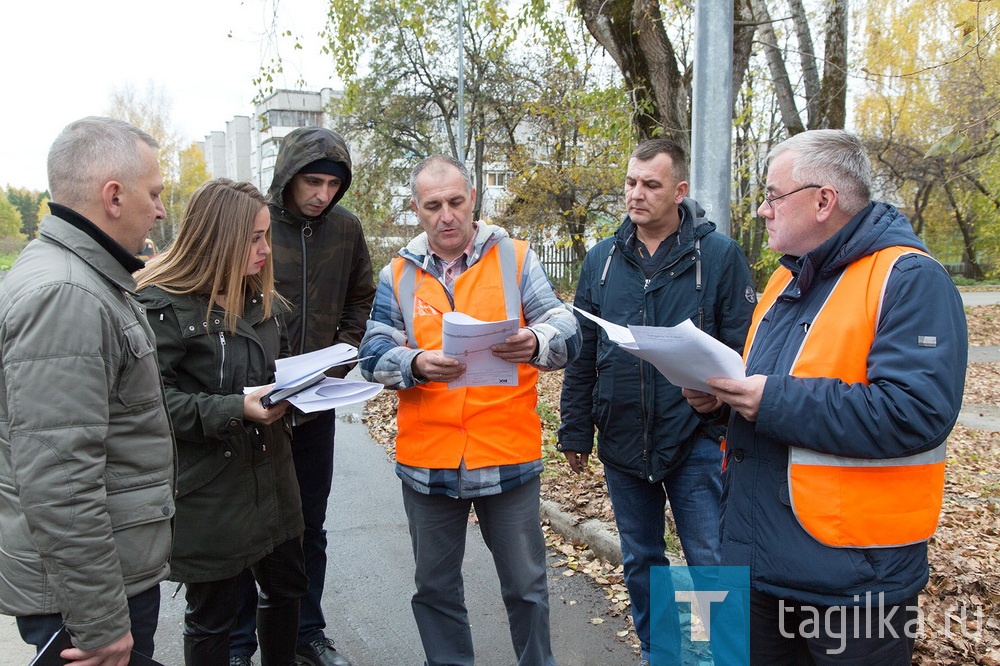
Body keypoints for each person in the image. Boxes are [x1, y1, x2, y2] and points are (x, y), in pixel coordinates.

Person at [684, 129, 967, 663]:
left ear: (823, 200)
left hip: (856, 580)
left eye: (773, 195)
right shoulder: (781, 282)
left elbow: (915, 413)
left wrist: (769, 400)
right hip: (756, 559)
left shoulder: (909, 279)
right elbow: (769, 396)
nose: (763, 210)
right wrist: (721, 404)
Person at [359, 155, 581, 666]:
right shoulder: (397, 275)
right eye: (433, 205)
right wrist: (413, 362)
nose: (446, 216)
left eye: (455, 202)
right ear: (416, 209)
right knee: (434, 590)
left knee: (526, 587)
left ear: (473, 199)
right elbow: (371, 356)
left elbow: (567, 333)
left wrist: (534, 339)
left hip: (506, 452)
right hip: (429, 459)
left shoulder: (516, 259)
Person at [557, 138, 756, 666]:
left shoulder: (717, 257)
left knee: (710, 561)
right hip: (622, 437)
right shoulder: (601, 259)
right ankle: (661, 652)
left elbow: (744, 350)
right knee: (644, 561)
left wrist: (719, 409)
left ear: (680, 191)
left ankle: (727, 655)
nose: (636, 194)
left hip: (695, 437)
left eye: (651, 184)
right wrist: (575, 430)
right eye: (630, 182)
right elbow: (583, 352)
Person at [0, 116, 175, 664]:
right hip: (85, 601)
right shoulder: (67, 294)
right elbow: (60, 478)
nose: (162, 209)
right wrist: (100, 624)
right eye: (155, 193)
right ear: (114, 196)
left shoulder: (81, 274)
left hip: (92, 583)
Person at [135, 179, 308, 665]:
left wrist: (301, 388)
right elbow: (152, 404)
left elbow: (280, 370)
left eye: (267, 235)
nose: (265, 249)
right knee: (213, 613)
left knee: (287, 588)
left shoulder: (264, 300)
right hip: (211, 489)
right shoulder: (161, 306)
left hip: (274, 479)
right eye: (254, 237)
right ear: (218, 239)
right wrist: (235, 407)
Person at [230, 127, 375, 666]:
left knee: (309, 525)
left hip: (316, 402)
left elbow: (362, 295)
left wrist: (345, 347)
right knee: (248, 527)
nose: (322, 194)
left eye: (333, 184)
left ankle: (305, 633)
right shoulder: (255, 225)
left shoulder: (346, 229)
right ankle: (239, 643)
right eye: (312, 181)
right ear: (288, 176)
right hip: (257, 403)